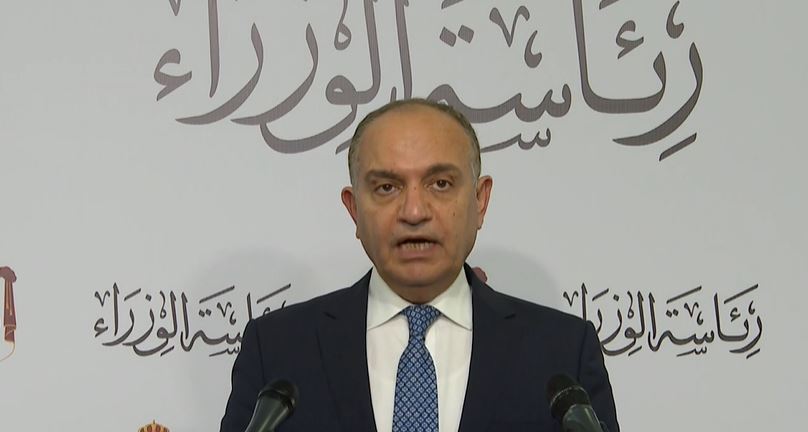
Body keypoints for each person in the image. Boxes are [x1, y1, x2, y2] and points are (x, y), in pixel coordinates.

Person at [220, 99, 619, 431]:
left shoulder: (562, 353)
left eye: (440, 184)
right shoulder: (278, 351)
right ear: (354, 209)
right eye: (386, 187)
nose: (414, 212)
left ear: (480, 201)